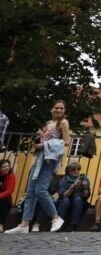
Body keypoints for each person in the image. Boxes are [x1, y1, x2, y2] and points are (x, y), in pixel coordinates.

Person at [6, 99, 70, 234]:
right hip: (40, 157)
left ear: (64, 111)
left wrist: (45, 145)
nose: (58, 110)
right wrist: (39, 141)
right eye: (56, 107)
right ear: (52, 109)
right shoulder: (48, 123)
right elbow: (44, 139)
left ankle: (56, 217)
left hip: (49, 159)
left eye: (61, 108)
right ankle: (24, 224)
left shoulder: (63, 122)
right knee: (30, 192)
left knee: (40, 190)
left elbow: (66, 142)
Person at [55, 162, 91, 231]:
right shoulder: (64, 180)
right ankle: (58, 225)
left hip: (78, 202)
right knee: (65, 200)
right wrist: (73, 186)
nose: (76, 171)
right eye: (74, 169)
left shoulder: (84, 179)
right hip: (64, 202)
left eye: (78, 169)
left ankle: (73, 225)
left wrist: (85, 188)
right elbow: (63, 195)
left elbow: (86, 196)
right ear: (68, 171)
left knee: (78, 199)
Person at [0, 159, 15, 231]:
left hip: (5, 198)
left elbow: (10, 190)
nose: (7, 168)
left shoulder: (11, 176)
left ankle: (1, 225)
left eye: (8, 166)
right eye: (4, 166)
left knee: (3, 202)